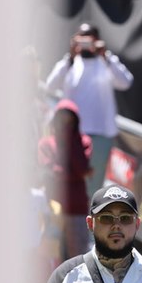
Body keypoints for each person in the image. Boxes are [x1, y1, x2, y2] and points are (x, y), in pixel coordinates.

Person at [44, 23, 135, 197]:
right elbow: (50, 85)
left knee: (93, 188)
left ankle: (88, 214)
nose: (86, 42)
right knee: (68, 183)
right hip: (72, 136)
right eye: (82, 38)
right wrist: (70, 57)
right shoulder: (70, 63)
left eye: (89, 38)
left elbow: (126, 82)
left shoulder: (106, 62)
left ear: (97, 40)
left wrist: (107, 56)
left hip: (100, 136)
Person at [37, 99, 93, 260]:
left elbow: (81, 168)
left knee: (78, 259)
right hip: (52, 208)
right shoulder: (46, 144)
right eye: (61, 120)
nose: (65, 125)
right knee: (50, 257)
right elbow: (49, 173)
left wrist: (69, 141)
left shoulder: (84, 142)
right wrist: (77, 174)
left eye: (69, 121)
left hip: (77, 208)